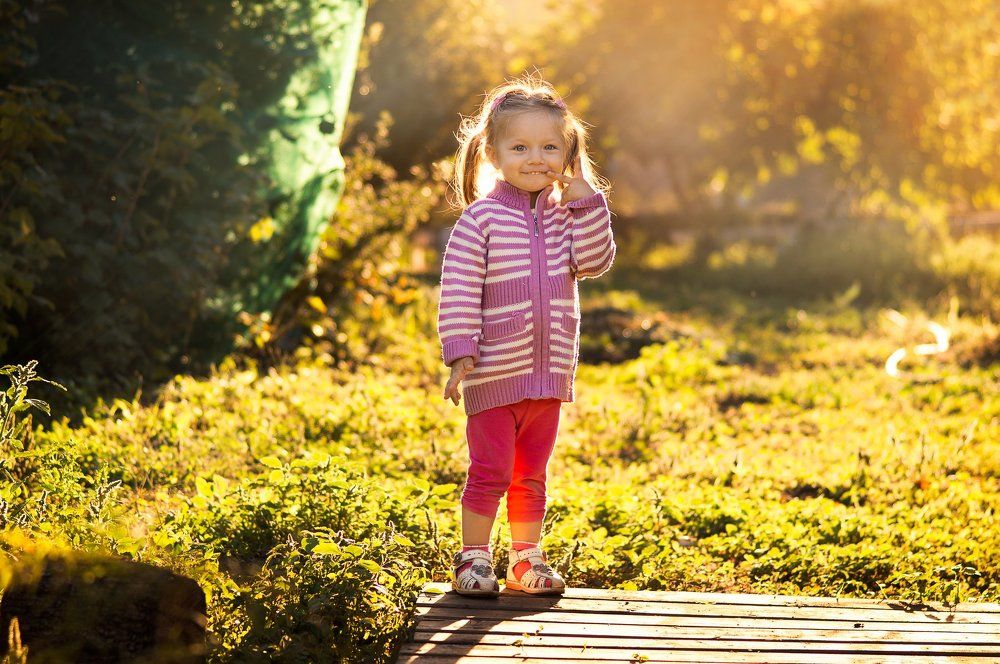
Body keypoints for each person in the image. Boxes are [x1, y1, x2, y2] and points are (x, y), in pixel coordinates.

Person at [436, 74, 616, 597]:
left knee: (531, 474)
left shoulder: (569, 216)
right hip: (495, 371)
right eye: (520, 147)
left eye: (550, 147)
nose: (536, 158)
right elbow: (459, 291)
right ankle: (472, 558)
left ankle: (524, 558)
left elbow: (595, 261)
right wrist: (461, 353)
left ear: (569, 153)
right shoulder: (480, 220)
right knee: (489, 469)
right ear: (493, 152)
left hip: (549, 373)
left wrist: (587, 199)